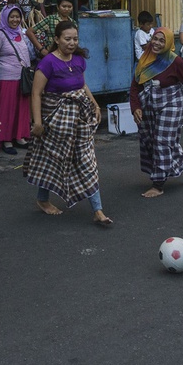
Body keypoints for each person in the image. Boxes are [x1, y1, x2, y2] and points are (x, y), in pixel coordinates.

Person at [27, 21, 113, 226]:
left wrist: (94, 103)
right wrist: (38, 123)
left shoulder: (78, 60)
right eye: (67, 39)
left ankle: (98, 210)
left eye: (75, 38)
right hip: (54, 122)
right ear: (56, 39)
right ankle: (43, 200)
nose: (72, 42)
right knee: (52, 161)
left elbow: (81, 84)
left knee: (87, 161)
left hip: (78, 120)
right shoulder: (47, 62)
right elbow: (36, 94)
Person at [130, 28, 183, 198]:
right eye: (155, 39)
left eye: (162, 40)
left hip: (172, 103)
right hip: (150, 102)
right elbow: (135, 86)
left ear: (168, 43)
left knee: (162, 140)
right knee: (153, 140)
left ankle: (158, 185)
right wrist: (135, 107)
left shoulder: (176, 62)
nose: (157, 43)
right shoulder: (145, 58)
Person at [0, 4, 33, 156]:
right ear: (5, 18)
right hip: (5, 78)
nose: (15, 20)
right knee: (6, 110)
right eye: (11, 17)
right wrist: (0, 71)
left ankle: (20, 137)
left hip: (22, 78)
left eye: (17, 16)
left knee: (21, 108)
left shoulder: (21, 32)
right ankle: (6, 139)